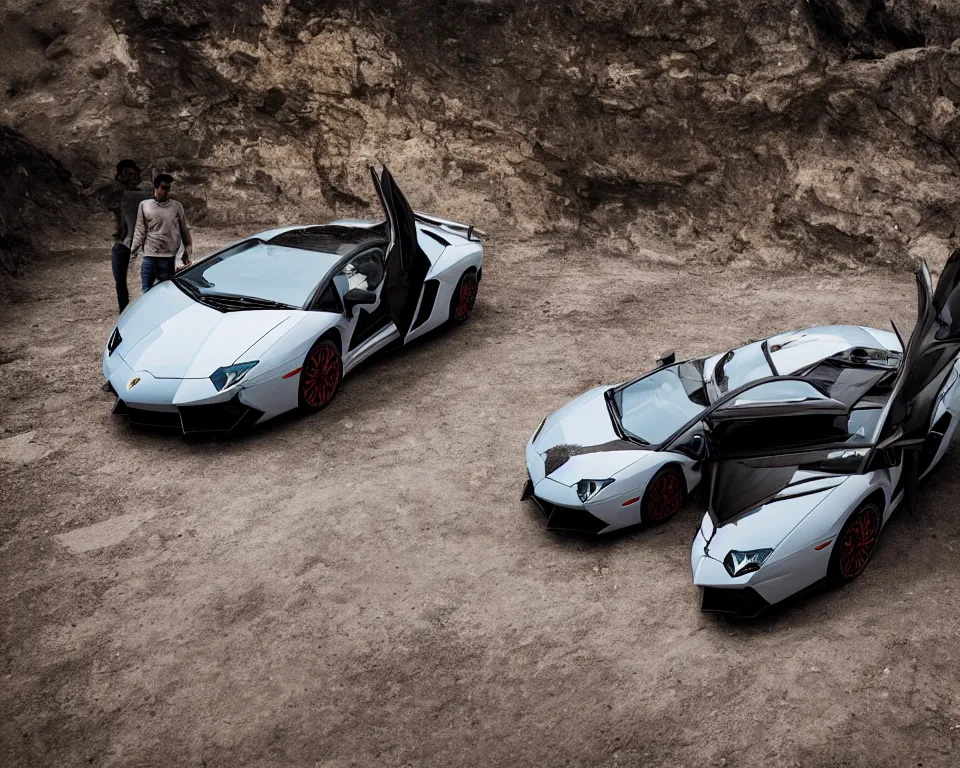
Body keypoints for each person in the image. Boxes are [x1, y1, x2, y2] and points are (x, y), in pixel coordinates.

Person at [131, 173, 194, 291]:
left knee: (166, 292)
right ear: (156, 187)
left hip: (168, 257)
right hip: (150, 256)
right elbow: (140, 230)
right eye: (164, 188)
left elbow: (184, 229)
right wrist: (133, 253)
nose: (166, 191)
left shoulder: (176, 206)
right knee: (146, 291)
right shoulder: (145, 205)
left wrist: (188, 249)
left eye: (168, 188)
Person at [106, 160, 152, 312]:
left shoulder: (140, 194)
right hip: (123, 241)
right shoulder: (117, 194)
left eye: (135, 174)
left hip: (145, 240)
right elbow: (110, 202)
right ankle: (124, 311)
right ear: (120, 176)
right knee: (120, 281)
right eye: (129, 174)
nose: (133, 178)